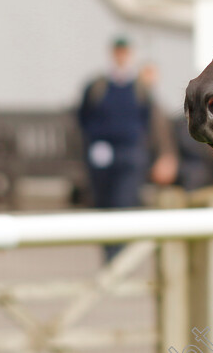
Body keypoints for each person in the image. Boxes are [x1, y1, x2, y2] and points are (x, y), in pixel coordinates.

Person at [77, 37, 153, 261]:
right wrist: (95, 142)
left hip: (129, 152)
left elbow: (146, 119)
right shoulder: (98, 86)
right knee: (104, 203)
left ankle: (118, 255)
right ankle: (109, 251)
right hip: (102, 153)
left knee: (124, 202)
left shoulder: (139, 87)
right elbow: (84, 116)